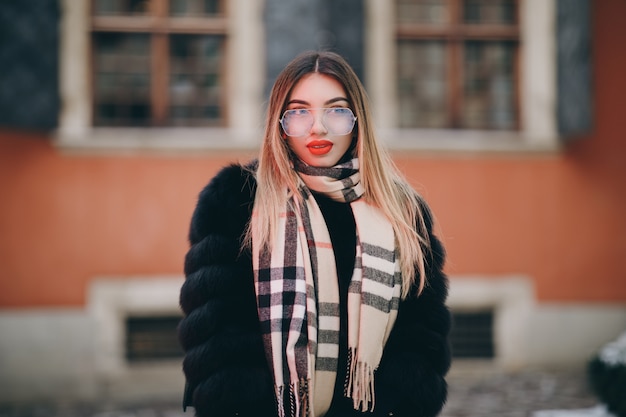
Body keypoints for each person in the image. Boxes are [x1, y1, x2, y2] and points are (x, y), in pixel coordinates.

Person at [178, 50, 451, 417]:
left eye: (336, 111)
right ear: (280, 122)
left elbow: (420, 345)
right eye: (299, 111)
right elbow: (220, 346)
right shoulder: (236, 200)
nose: (318, 127)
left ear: (357, 121)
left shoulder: (401, 211)